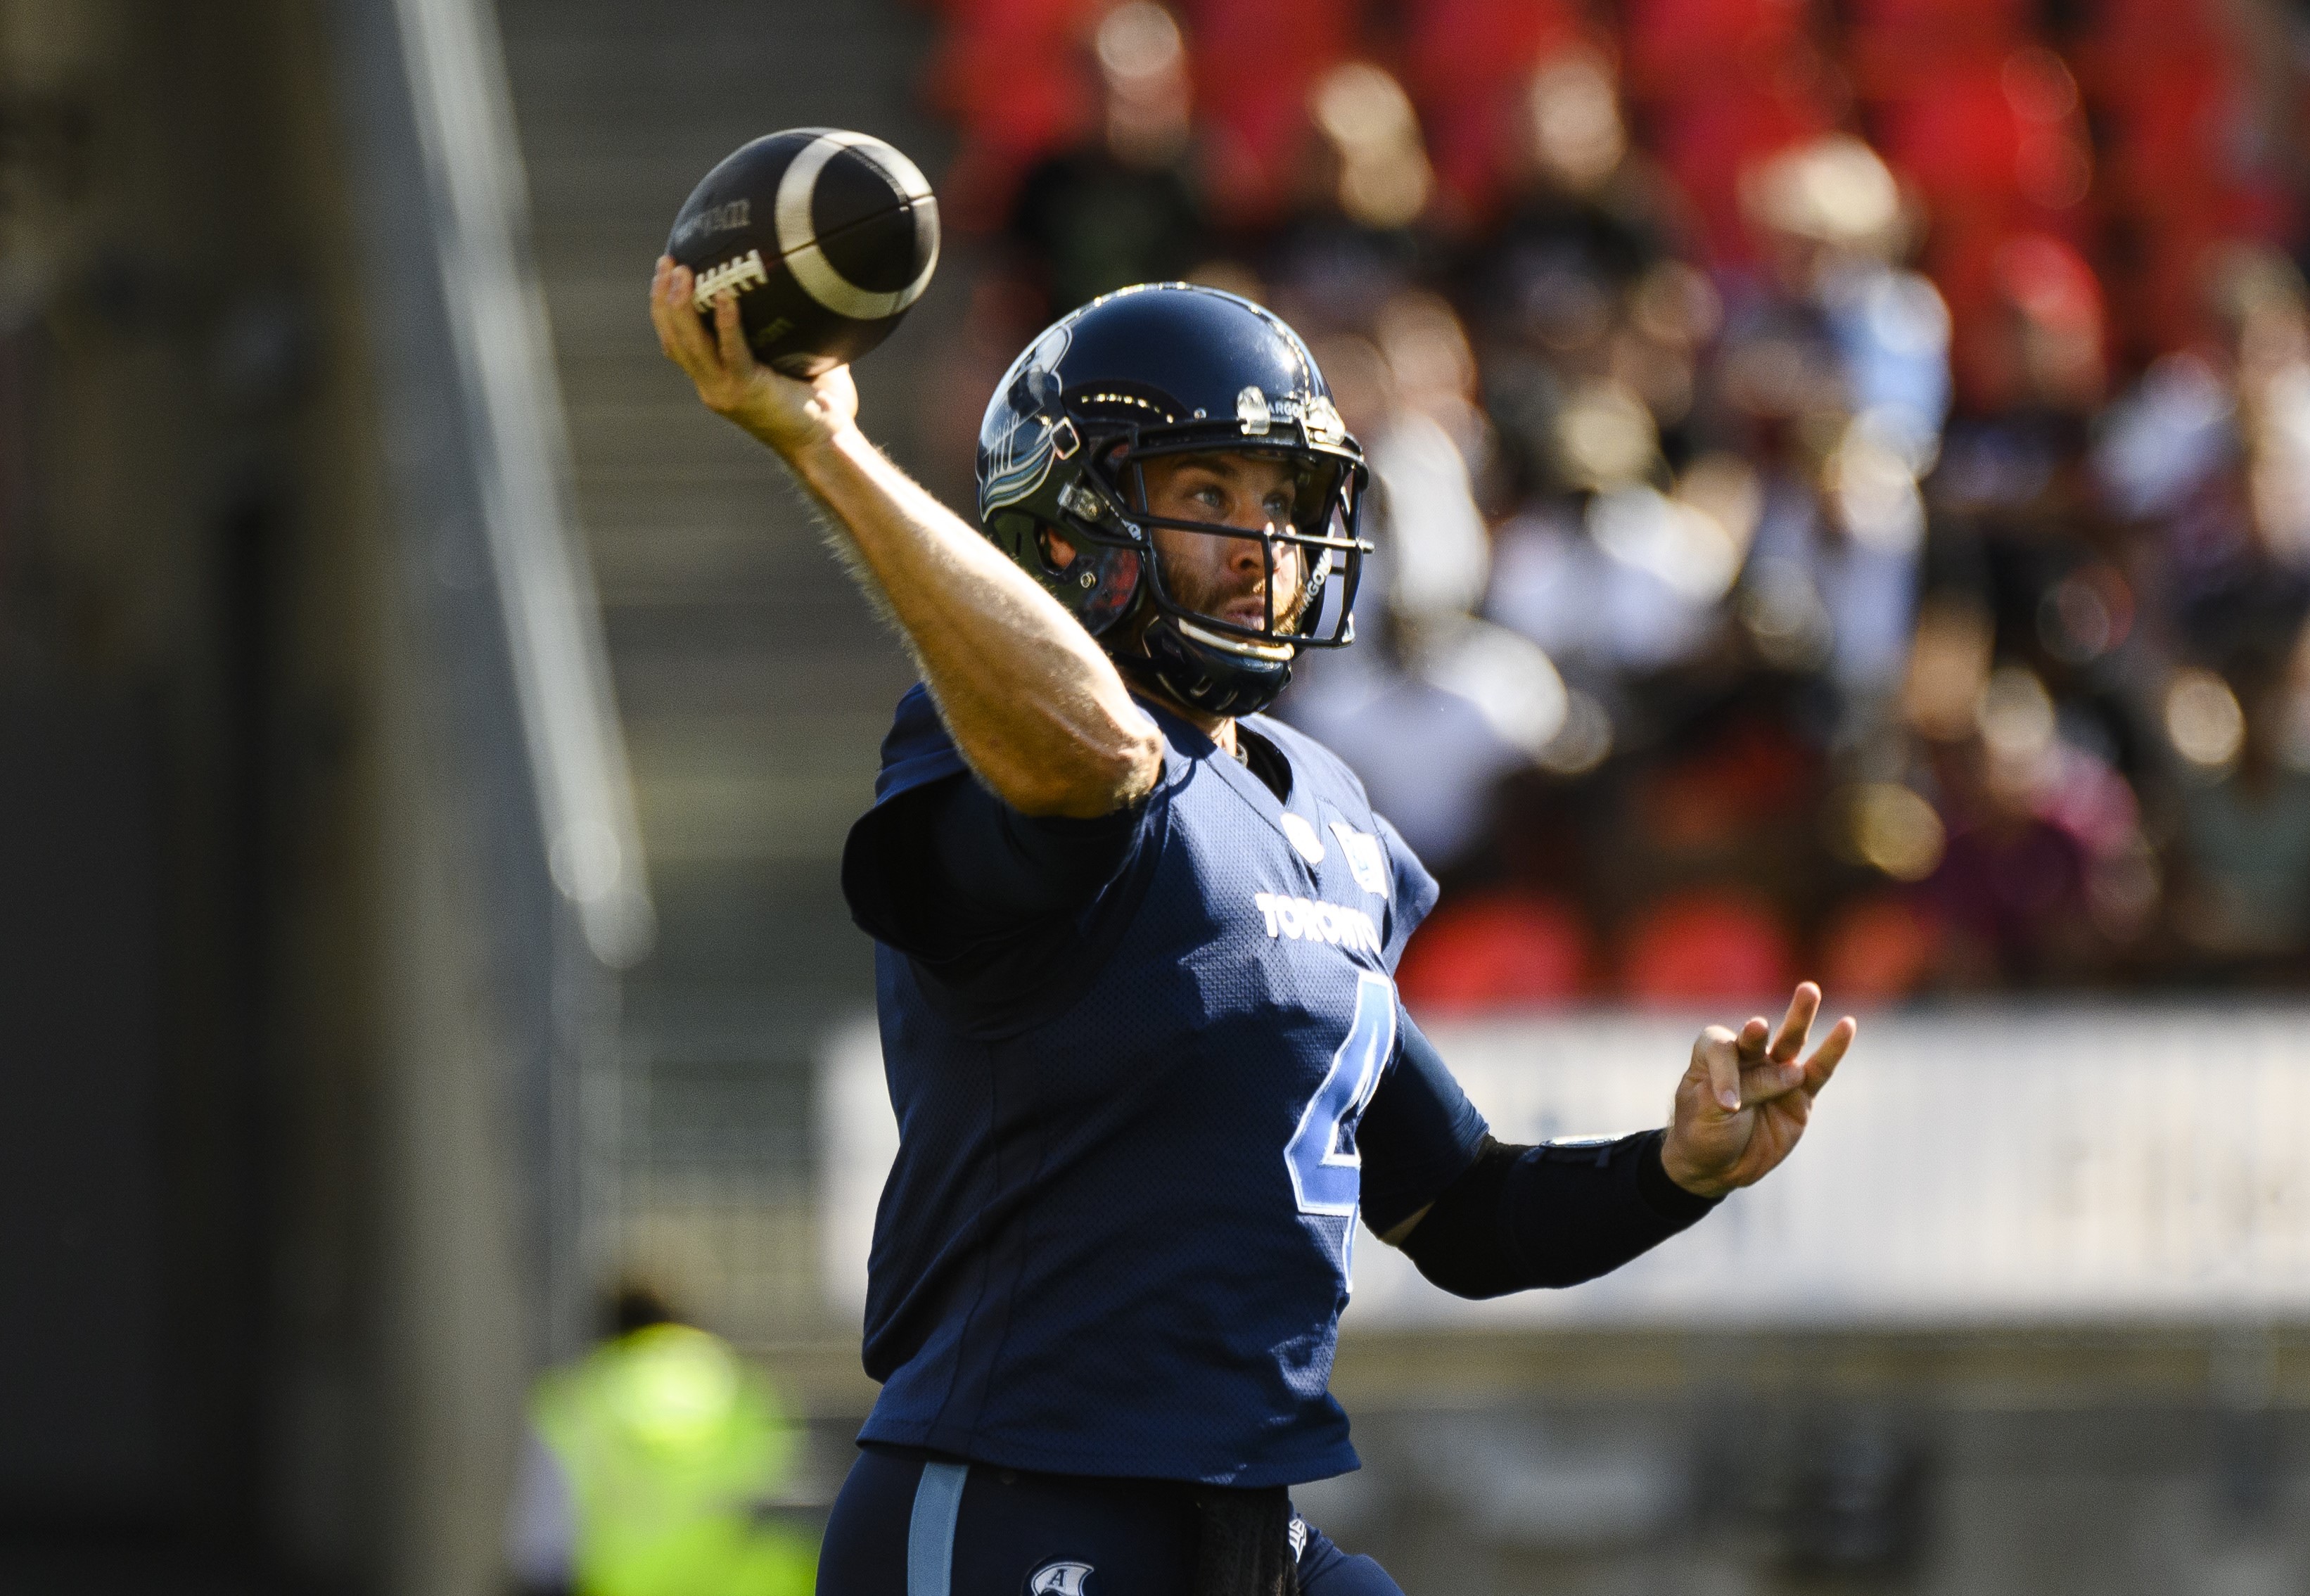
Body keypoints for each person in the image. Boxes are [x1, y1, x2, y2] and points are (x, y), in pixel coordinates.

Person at [649, 262, 1857, 1594]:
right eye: (1207, 494)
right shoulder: (1006, 744)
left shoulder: (1325, 809)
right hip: (1012, 1500)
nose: (1262, 544)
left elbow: (1458, 1208)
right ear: (1073, 521)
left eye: (1281, 502)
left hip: (1241, 1526)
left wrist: (1673, 1169)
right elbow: (1095, 761)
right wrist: (828, 447)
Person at [509, 1284, 816, 1596]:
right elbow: (799, 1511)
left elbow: (542, 1554)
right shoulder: (745, 1391)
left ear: (608, 1329)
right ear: (687, 1319)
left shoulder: (576, 1402)